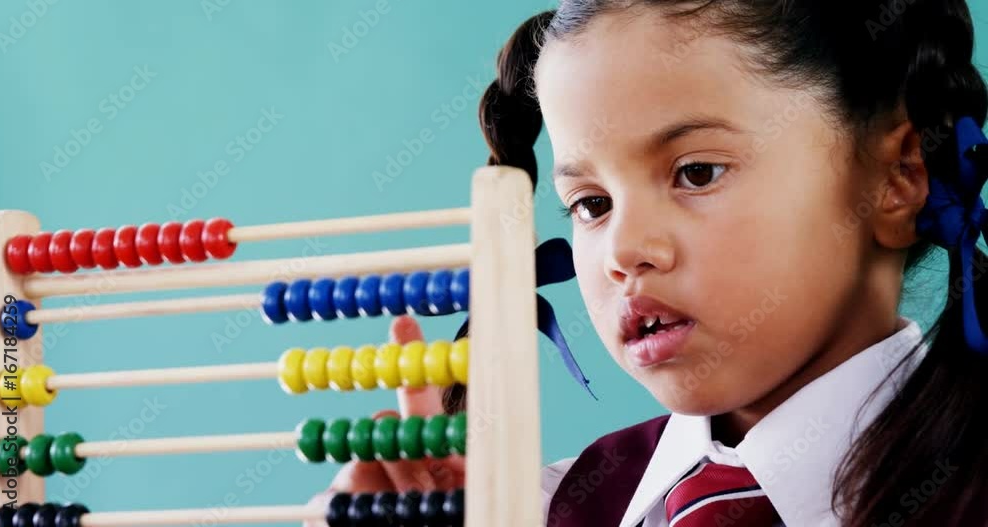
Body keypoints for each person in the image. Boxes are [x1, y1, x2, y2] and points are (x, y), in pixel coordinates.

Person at [310, 1, 988, 525]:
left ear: (898, 178)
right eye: (591, 204)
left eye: (697, 172)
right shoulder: (539, 509)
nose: (624, 250)